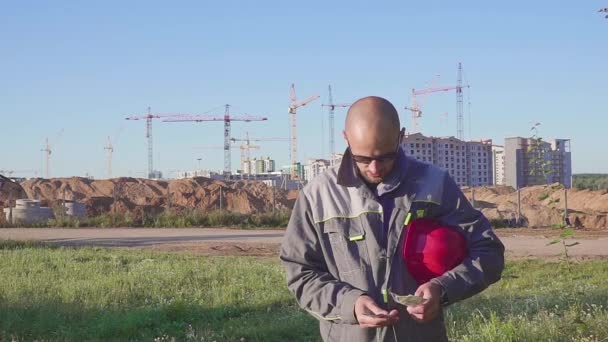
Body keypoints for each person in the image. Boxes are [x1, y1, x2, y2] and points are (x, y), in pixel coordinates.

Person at [280, 96, 505, 341]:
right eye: (363, 159)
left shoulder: (436, 185)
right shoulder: (318, 195)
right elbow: (300, 272)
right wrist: (349, 305)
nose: (375, 169)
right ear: (346, 138)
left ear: (401, 136)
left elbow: (488, 252)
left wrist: (442, 289)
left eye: (385, 156)